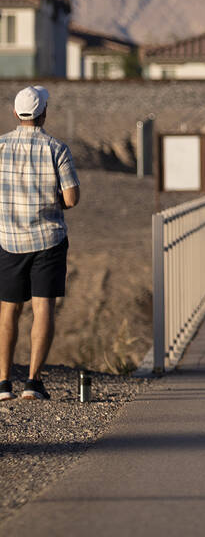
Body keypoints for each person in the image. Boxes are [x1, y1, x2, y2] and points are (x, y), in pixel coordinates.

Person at [0, 86, 80, 401]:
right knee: (42, 306)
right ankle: (33, 382)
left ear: (15, 114)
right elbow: (71, 198)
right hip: (48, 239)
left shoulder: (1, 146)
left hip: (8, 239)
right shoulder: (56, 148)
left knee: (8, 309)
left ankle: (3, 383)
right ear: (43, 113)